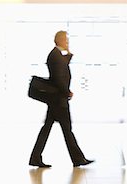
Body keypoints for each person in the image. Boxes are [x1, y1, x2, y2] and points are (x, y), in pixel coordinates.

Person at [29, 30, 94, 168]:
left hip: (56, 100)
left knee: (48, 129)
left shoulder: (56, 55)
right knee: (66, 130)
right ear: (59, 40)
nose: (67, 42)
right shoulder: (55, 56)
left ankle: (36, 157)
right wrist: (67, 92)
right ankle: (78, 159)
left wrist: (69, 54)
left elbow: (62, 68)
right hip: (59, 100)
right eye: (66, 40)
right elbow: (58, 78)